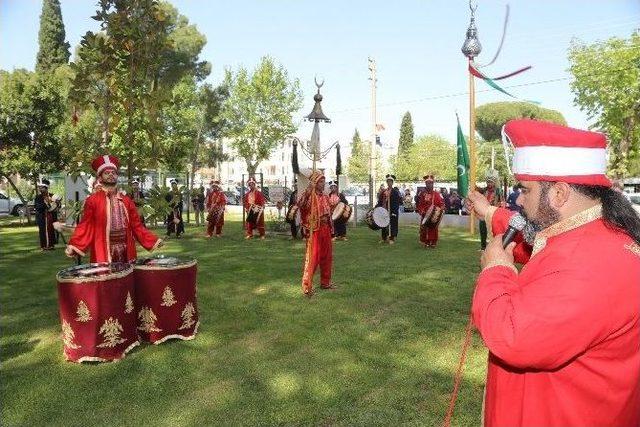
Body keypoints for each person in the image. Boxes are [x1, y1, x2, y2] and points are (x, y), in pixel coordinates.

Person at [465, 119, 640, 426]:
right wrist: (490, 212)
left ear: (559, 194)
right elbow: (540, 246)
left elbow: (512, 337)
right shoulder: (593, 234)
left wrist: (496, 270)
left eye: (525, 190)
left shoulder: (589, 264)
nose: (519, 200)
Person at [65, 155, 162, 263]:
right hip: (103, 249)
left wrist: (153, 240)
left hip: (126, 249)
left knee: (127, 277)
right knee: (105, 278)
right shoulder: (92, 200)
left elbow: (137, 226)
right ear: (100, 177)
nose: (111, 175)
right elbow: (85, 225)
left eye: (113, 173)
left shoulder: (126, 201)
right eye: (107, 173)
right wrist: (74, 245)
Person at [298, 170, 335, 296]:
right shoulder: (310, 196)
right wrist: (308, 191)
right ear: (315, 183)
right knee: (313, 258)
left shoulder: (325, 196)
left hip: (325, 229)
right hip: (314, 230)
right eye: (320, 182)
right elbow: (301, 204)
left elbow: (329, 212)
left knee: (327, 257)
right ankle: (307, 286)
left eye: (324, 181)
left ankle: (325, 282)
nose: (323, 184)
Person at [416, 175, 444, 248]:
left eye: (430, 183)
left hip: (434, 215)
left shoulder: (437, 194)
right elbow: (420, 204)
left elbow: (441, 204)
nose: (429, 185)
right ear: (425, 184)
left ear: (433, 184)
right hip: (425, 215)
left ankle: (433, 242)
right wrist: (422, 211)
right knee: (424, 229)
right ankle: (426, 242)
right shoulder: (422, 194)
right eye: (427, 183)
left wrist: (440, 208)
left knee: (433, 229)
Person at [478, 170, 503, 250]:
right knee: (482, 230)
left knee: (494, 230)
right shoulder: (484, 190)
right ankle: (483, 246)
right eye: (488, 182)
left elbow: (501, 202)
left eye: (491, 182)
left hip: (493, 213)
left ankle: (494, 246)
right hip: (483, 212)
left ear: (494, 183)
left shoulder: (498, 191)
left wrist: (497, 207)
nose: (489, 184)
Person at [377, 174, 402, 244]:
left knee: (393, 224)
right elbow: (380, 201)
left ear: (392, 182)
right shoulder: (383, 191)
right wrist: (378, 208)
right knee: (384, 224)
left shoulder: (395, 192)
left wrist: (394, 211)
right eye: (388, 181)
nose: (389, 183)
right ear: (386, 182)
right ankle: (384, 238)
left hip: (392, 210)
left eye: (390, 181)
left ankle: (392, 238)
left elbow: (398, 202)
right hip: (384, 210)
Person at [34, 179, 56, 250]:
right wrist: (45, 203)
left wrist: (55, 203)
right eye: (39, 187)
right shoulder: (38, 197)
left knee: (51, 230)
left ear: (46, 188)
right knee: (42, 231)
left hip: (51, 217)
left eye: (41, 187)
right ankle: (43, 246)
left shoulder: (52, 196)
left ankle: (51, 245)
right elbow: (38, 207)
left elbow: (57, 206)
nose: (40, 189)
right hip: (42, 217)